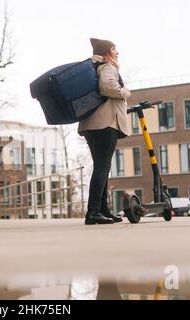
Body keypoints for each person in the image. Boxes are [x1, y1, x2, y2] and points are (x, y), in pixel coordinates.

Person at [77, 38, 131, 225]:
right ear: (107, 52)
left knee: (102, 166)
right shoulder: (108, 67)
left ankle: (103, 210)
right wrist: (124, 92)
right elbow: (107, 86)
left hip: (90, 125)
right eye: (114, 49)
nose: (117, 53)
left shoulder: (94, 67)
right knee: (102, 166)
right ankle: (93, 212)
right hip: (105, 124)